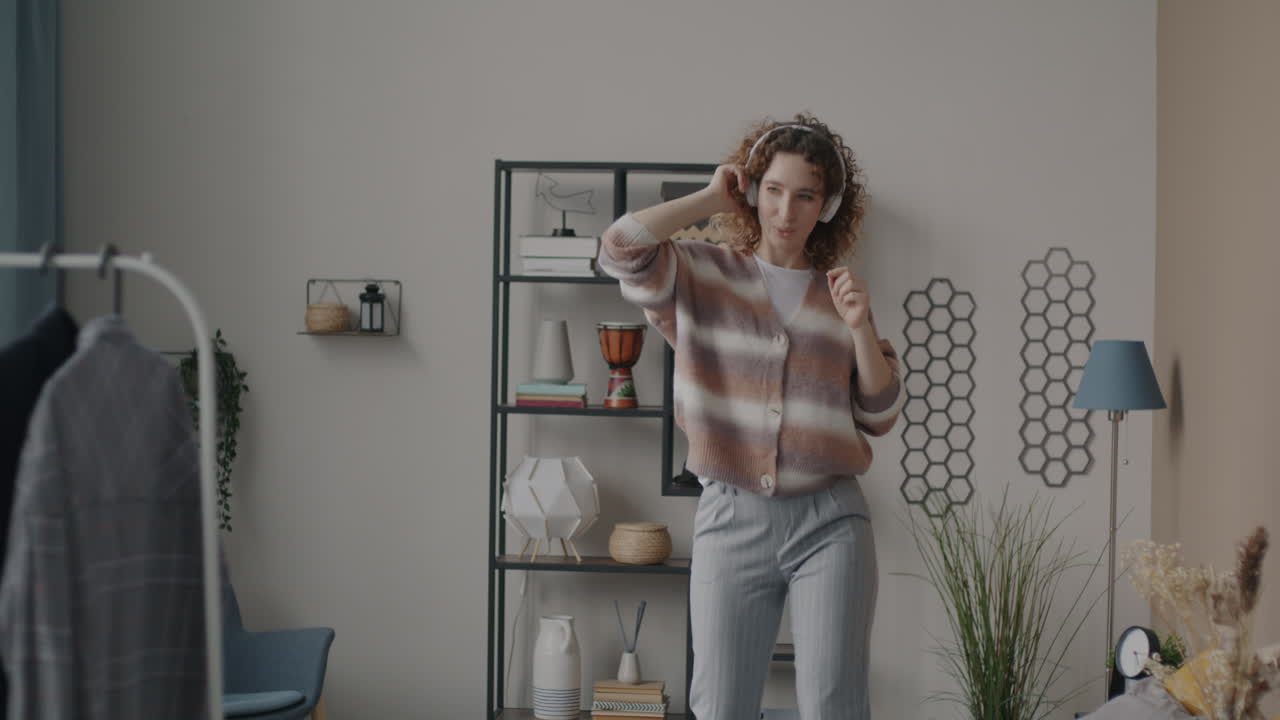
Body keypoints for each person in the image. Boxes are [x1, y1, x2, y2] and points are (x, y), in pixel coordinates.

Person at [597, 113, 904, 720]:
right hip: (730, 514)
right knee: (721, 707)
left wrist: (861, 327)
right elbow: (622, 248)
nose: (786, 211)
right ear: (754, 190)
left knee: (835, 705)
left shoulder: (838, 294)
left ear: (828, 206)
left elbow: (881, 411)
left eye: (806, 195)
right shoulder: (702, 273)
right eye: (774, 190)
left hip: (831, 522)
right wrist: (712, 196)